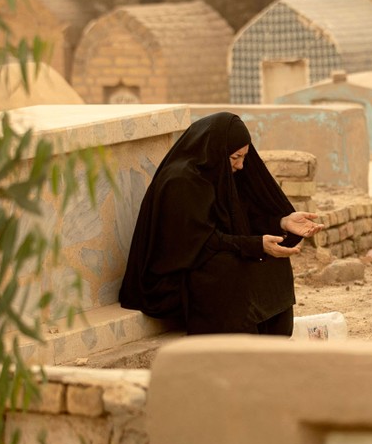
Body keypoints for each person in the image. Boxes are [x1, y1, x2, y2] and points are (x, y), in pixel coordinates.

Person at [118, 112, 323, 335]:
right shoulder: (181, 181)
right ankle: (239, 348)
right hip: (173, 279)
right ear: (215, 149)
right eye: (235, 157)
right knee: (230, 270)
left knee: (272, 262)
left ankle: (272, 344)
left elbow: (243, 217)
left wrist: (282, 222)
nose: (241, 166)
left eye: (244, 157)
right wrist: (254, 245)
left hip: (209, 255)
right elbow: (199, 243)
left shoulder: (220, 173)